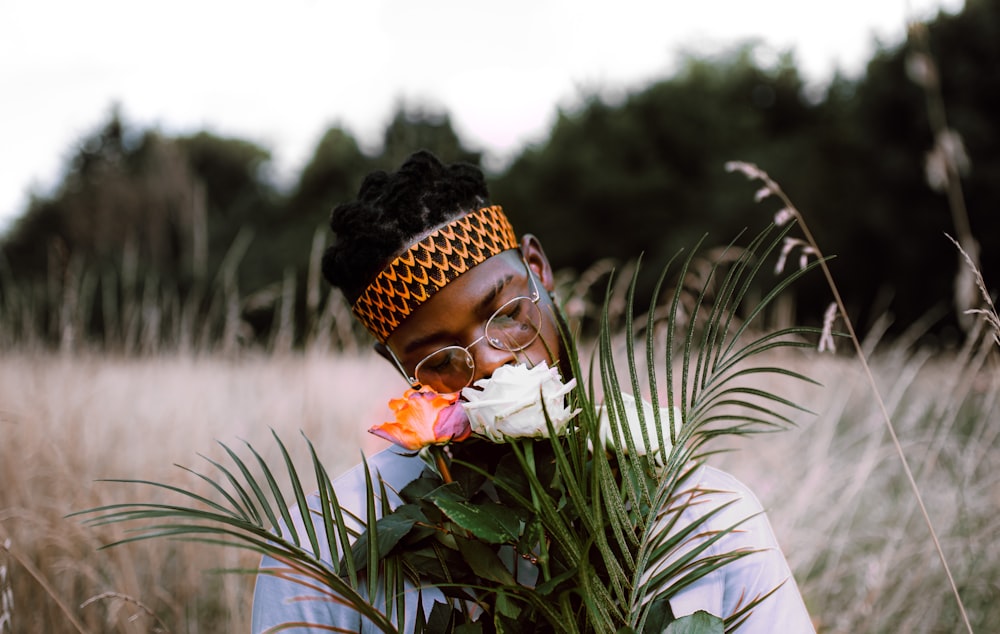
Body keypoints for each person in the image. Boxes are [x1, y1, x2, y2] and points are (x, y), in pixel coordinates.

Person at [250, 150, 815, 632]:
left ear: (539, 270)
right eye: (442, 359)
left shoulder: (705, 512)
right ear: (399, 366)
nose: (493, 363)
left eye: (510, 312)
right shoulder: (325, 541)